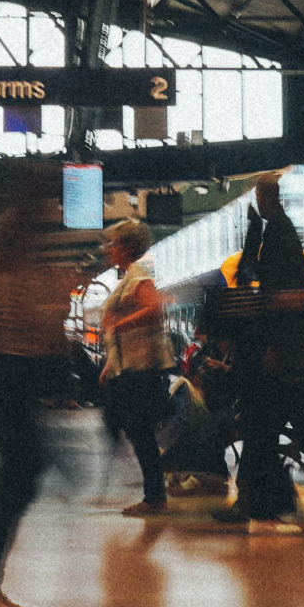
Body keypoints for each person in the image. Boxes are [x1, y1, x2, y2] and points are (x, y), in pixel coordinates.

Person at [0, 166, 84, 607]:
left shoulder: (0, 266)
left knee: (19, 482)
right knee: (17, 484)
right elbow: (31, 333)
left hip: (8, 383)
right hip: (11, 383)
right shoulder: (12, 268)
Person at [209, 178, 304, 530]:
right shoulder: (277, 229)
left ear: (264, 197)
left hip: (282, 352)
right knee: (295, 425)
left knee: (267, 425)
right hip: (288, 351)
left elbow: (281, 292)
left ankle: (263, 500)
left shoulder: (280, 232)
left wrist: (273, 346)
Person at [97, 220, 176, 515]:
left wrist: (117, 324)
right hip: (129, 366)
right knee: (137, 431)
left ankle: (155, 498)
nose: (110, 249)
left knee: (140, 432)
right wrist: (110, 365)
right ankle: (155, 495)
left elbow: (154, 309)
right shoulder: (128, 277)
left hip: (142, 368)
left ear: (128, 247)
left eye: (114, 243)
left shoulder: (138, 276)